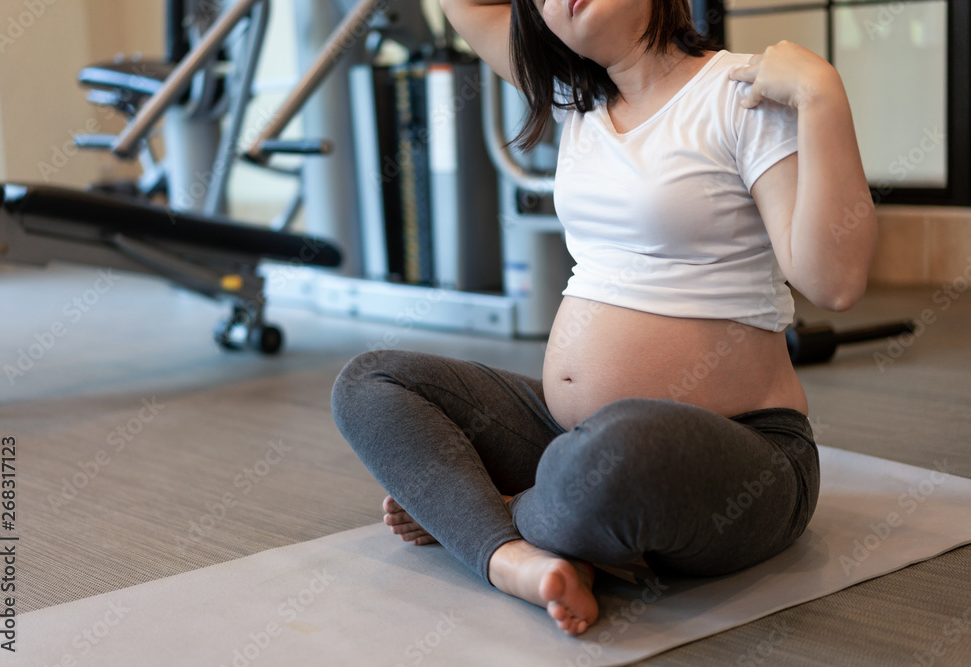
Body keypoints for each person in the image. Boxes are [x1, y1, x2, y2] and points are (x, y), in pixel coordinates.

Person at [332, 0, 877, 637]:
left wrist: (821, 93)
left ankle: (484, 511)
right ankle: (515, 554)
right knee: (371, 381)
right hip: (570, 438)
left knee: (619, 451)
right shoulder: (575, 99)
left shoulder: (741, 93)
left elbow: (834, 283)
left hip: (737, 456)